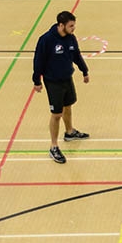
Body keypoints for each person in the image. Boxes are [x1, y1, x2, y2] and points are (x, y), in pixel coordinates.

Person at [32, 11, 90, 164]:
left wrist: (84, 70)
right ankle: (54, 146)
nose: (74, 28)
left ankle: (69, 132)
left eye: (74, 25)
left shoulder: (71, 39)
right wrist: (36, 80)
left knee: (68, 106)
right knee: (56, 114)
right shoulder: (46, 40)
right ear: (61, 25)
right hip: (53, 81)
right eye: (71, 26)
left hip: (67, 78)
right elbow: (38, 60)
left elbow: (76, 56)